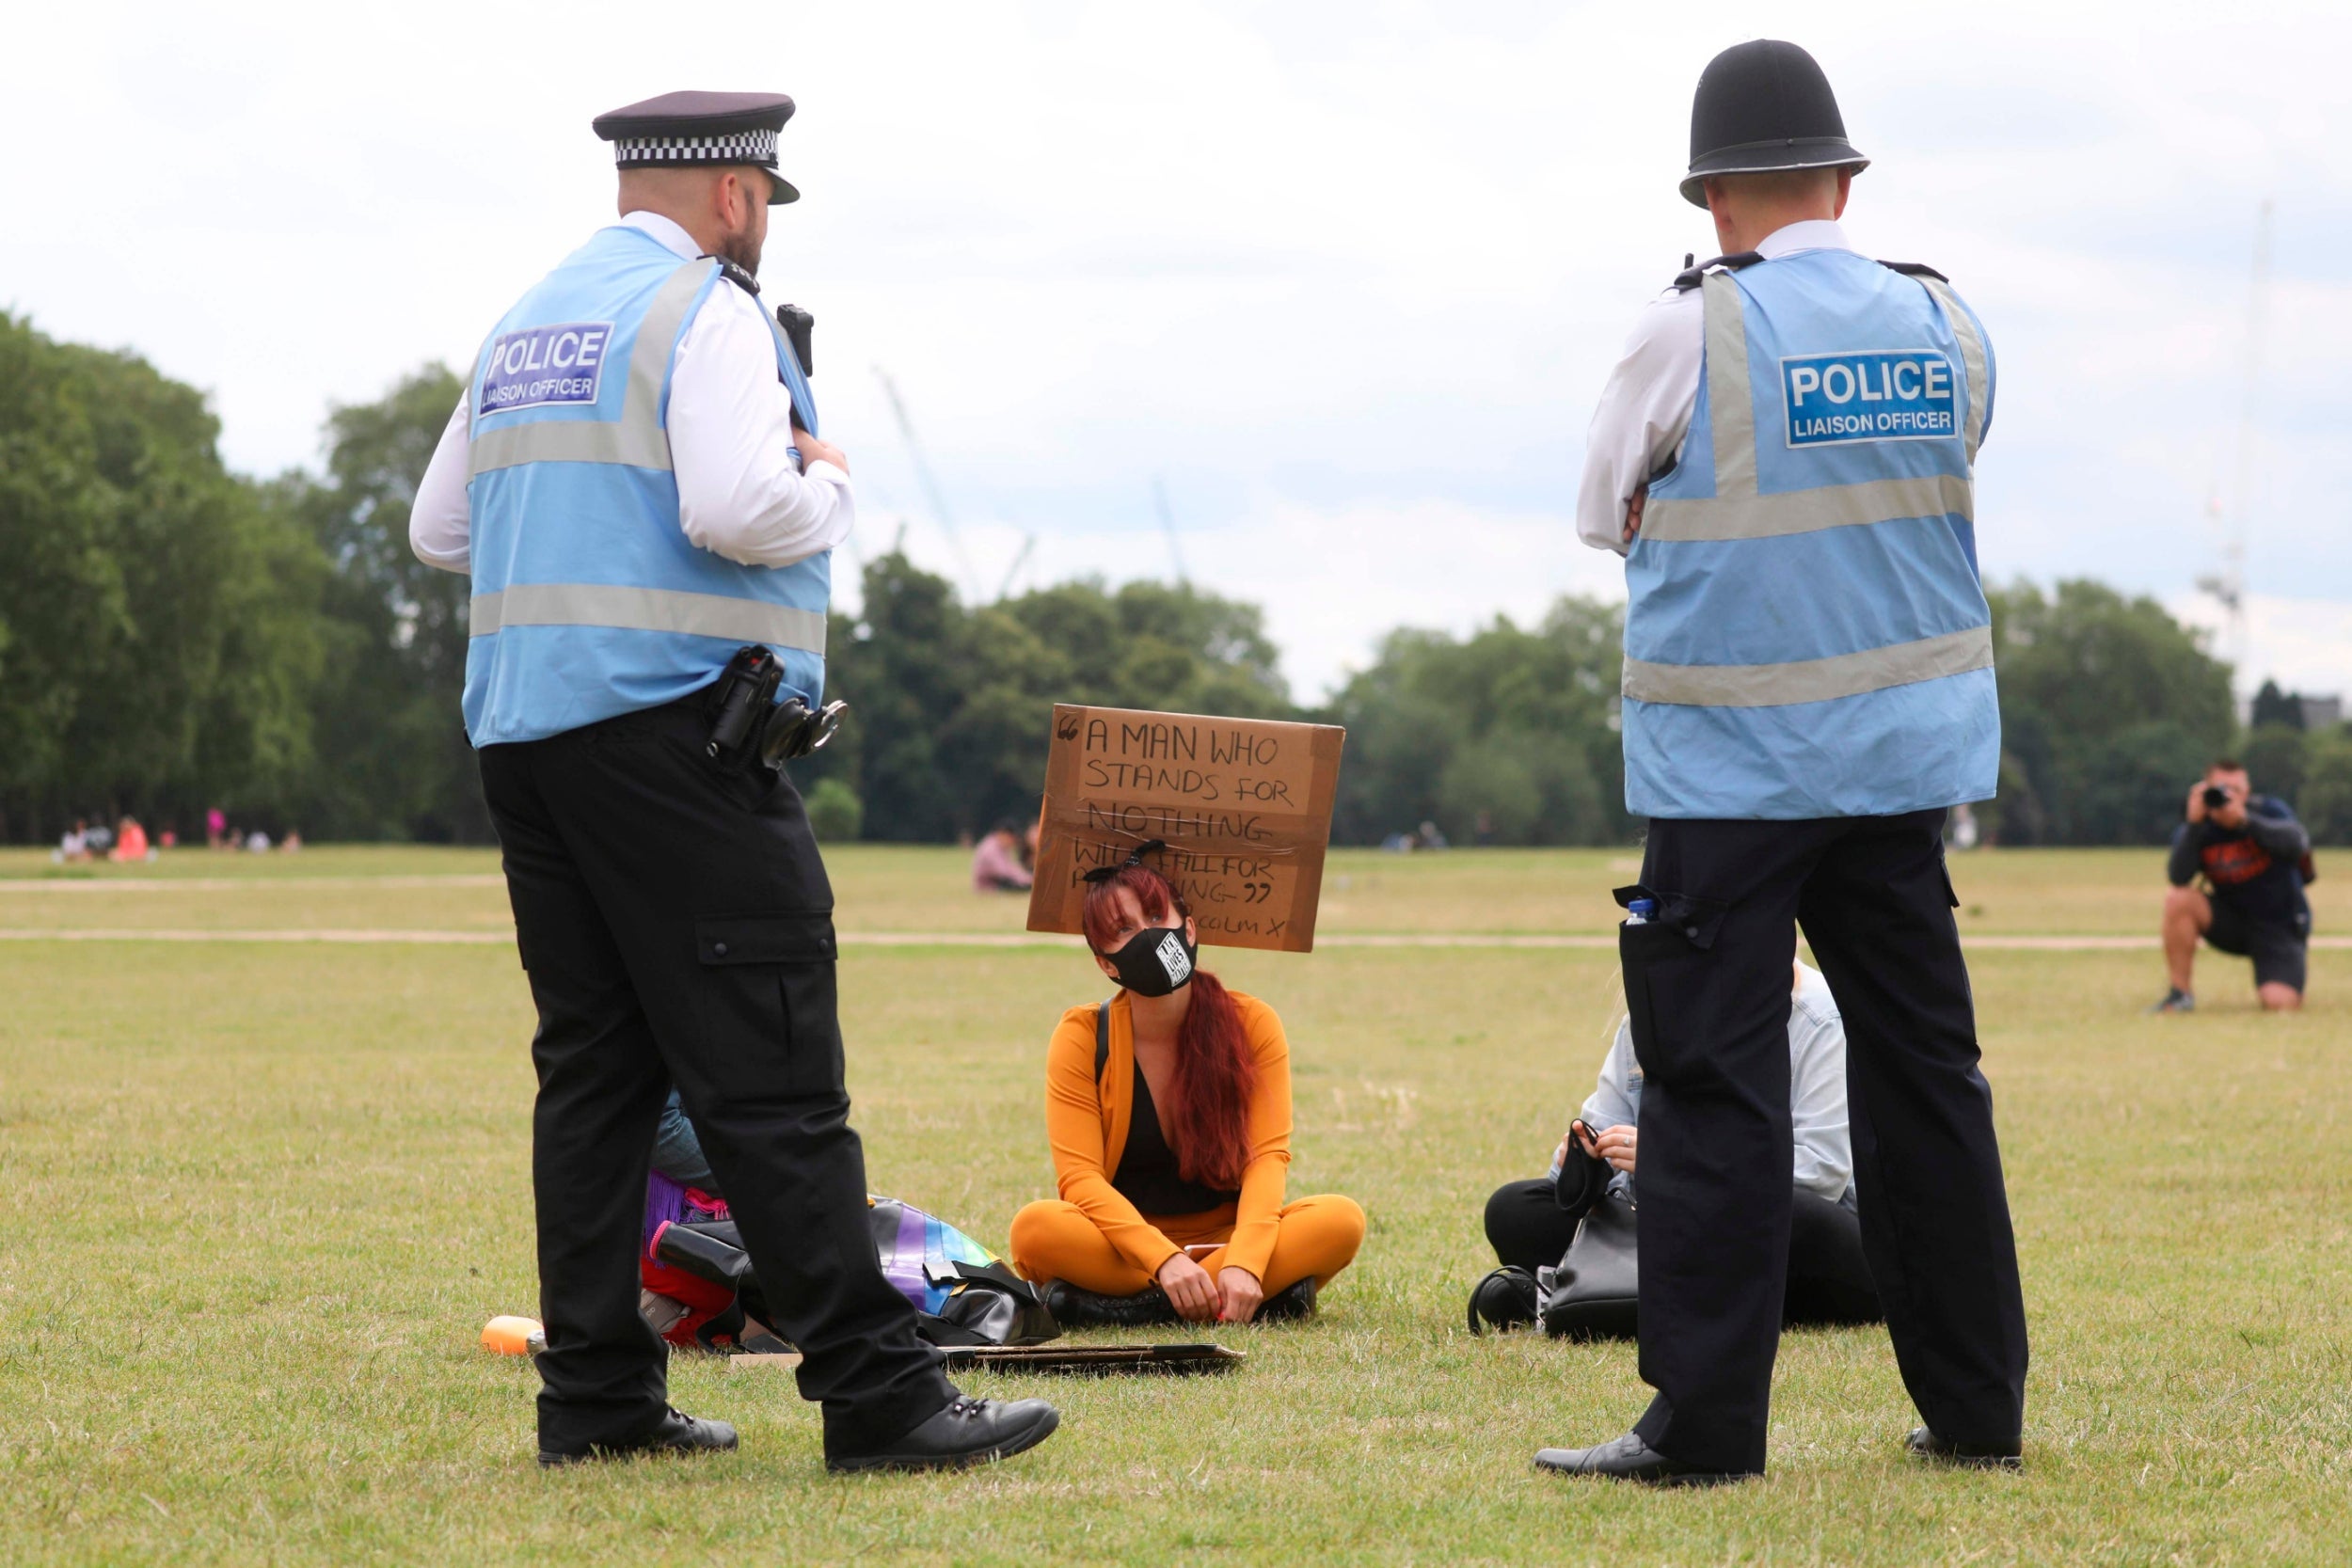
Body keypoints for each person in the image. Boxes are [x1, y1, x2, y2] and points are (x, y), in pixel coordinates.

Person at [405, 88, 1055, 1474]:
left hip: (528, 742)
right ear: (739, 196)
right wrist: (828, 478)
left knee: (596, 1081)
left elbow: (438, 525)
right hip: (681, 742)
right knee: (771, 1076)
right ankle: (881, 1397)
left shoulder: (527, 322)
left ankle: (597, 1398)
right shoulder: (707, 309)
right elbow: (735, 506)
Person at [1540, 41, 2027, 1484]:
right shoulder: (1950, 324)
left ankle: (1704, 1427)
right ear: (1845, 176)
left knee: (1711, 1086)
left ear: (1711, 195)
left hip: (1731, 777)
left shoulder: (1690, 330)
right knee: (1928, 1076)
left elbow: (1602, 514)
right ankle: (1977, 1407)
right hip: (1903, 771)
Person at [1007, 851, 1365, 1326]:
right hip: (1123, 1247)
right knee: (1035, 1229)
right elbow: (1080, 1181)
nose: (1148, 935)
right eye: (1125, 929)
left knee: (1339, 1221)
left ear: (1189, 930)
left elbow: (1267, 1158)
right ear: (1106, 964)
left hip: (1227, 1237)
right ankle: (1237, 1299)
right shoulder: (1082, 1035)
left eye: (1157, 916)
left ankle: (1126, 1311)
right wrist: (1164, 1259)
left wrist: (1245, 1261)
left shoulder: (1253, 1023)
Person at [1484, 962, 1881, 1329]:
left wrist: (1676, 1161)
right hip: (1673, 1228)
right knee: (1514, 1209)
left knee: (1794, 1215)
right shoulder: (1650, 1014)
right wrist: (1584, 1161)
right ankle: (1637, 1298)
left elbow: (1819, 1175)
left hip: (1787, 1231)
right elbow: (1584, 1164)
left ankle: (1589, 1298)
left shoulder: (1820, 1019)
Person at [2153, 759, 2312, 1013]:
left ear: (2248, 791)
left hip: (2278, 925)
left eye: (2237, 790)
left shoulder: (2268, 811)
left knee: (2280, 1004)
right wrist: (2193, 825)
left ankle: (2282, 979)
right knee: (2178, 898)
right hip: (2231, 921)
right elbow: (2178, 877)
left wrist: (2245, 822)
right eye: (2222, 789)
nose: (2230, 797)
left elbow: (2297, 844)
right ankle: (2180, 995)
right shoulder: (2201, 826)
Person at [971, 820, 1034, 893]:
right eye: (1012, 839)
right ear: (1004, 834)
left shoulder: (1001, 847)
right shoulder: (990, 848)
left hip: (998, 881)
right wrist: (1026, 879)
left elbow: (1011, 867)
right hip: (990, 886)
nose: (1013, 843)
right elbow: (1004, 873)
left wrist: (1027, 877)